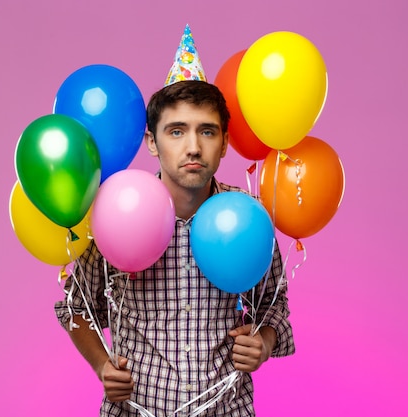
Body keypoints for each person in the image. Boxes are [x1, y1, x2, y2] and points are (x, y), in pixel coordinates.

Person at [54, 80, 295, 416]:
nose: (193, 147)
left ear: (225, 143)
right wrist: (102, 366)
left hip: (226, 409)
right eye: (177, 131)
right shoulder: (117, 212)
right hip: (136, 410)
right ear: (152, 141)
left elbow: (274, 305)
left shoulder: (249, 217)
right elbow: (75, 307)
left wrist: (264, 344)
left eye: (208, 132)